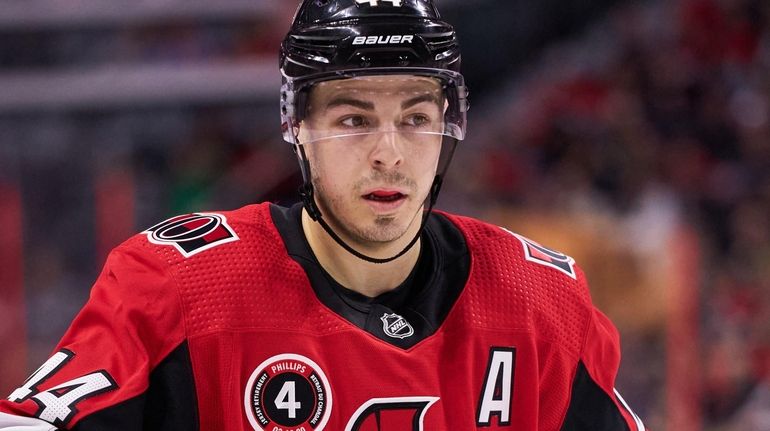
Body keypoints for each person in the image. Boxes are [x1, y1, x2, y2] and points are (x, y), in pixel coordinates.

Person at [0, 1, 647, 430]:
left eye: (415, 118)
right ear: (297, 125)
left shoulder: (540, 303)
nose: (389, 153)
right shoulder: (180, 287)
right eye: (353, 120)